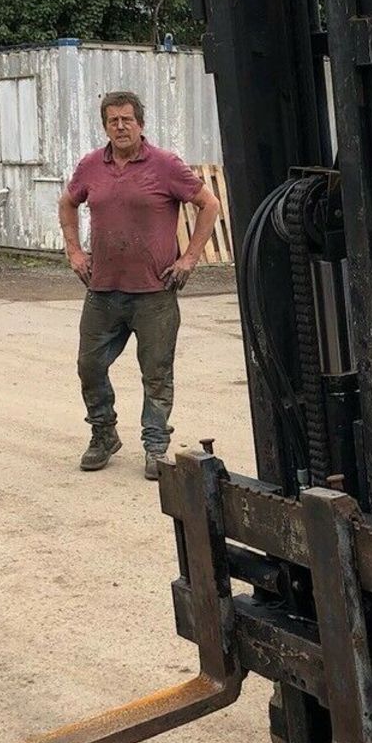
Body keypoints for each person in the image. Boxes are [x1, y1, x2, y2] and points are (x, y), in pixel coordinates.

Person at [59, 90, 222, 479]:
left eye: (127, 119)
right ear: (105, 126)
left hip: (155, 294)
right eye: (112, 120)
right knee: (90, 365)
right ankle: (103, 433)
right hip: (103, 290)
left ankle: (155, 446)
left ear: (140, 123)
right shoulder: (90, 166)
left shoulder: (165, 165)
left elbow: (210, 204)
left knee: (156, 372)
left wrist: (189, 258)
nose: (120, 126)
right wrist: (75, 253)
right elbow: (67, 203)